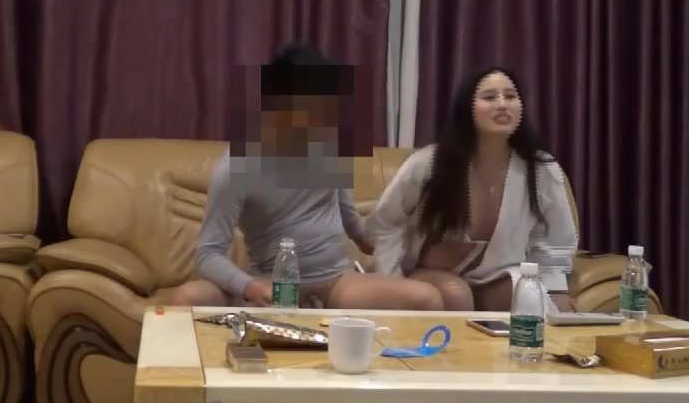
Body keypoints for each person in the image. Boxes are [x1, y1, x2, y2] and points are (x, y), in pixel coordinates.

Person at [170, 45, 444, 311]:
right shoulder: (235, 167)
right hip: (273, 282)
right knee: (187, 298)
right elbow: (208, 254)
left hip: (337, 281)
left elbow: (348, 216)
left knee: (427, 298)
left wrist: (385, 246)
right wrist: (250, 288)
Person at [364, 66, 578, 312]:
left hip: (496, 275)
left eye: (510, 96)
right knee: (456, 295)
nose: (502, 104)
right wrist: (394, 280)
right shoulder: (429, 163)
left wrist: (556, 292)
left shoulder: (541, 169)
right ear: (467, 109)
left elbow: (554, 240)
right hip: (429, 274)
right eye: (489, 97)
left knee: (529, 299)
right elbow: (385, 223)